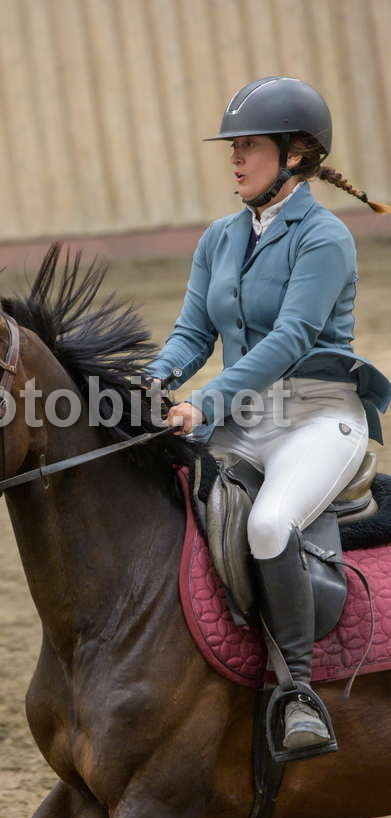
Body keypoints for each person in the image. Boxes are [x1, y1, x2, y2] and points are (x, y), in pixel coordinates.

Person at [145, 76, 391, 753]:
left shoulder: (325, 238)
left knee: (268, 522)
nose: (234, 158)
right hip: (243, 421)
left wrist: (203, 403)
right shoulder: (220, 238)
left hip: (317, 417)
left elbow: (290, 338)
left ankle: (296, 692)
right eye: (233, 146)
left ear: (295, 154)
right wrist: (152, 380)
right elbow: (193, 331)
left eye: (248, 146)